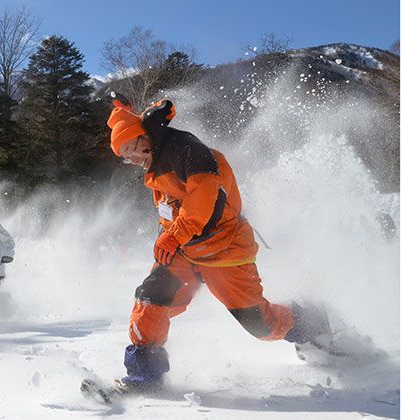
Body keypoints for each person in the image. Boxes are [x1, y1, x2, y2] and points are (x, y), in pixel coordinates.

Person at [105, 92, 332, 392]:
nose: (130, 159)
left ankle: (310, 321)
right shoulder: (154, 162)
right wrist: (171, 236)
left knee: (259, 325)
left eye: (129, 149)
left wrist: (174, 235)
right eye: (123, 156)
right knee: (151, 299)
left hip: (224, 250)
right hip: (184, 252)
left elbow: (204, 199)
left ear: (142, 138)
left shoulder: (186, 150)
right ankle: (145, 377)